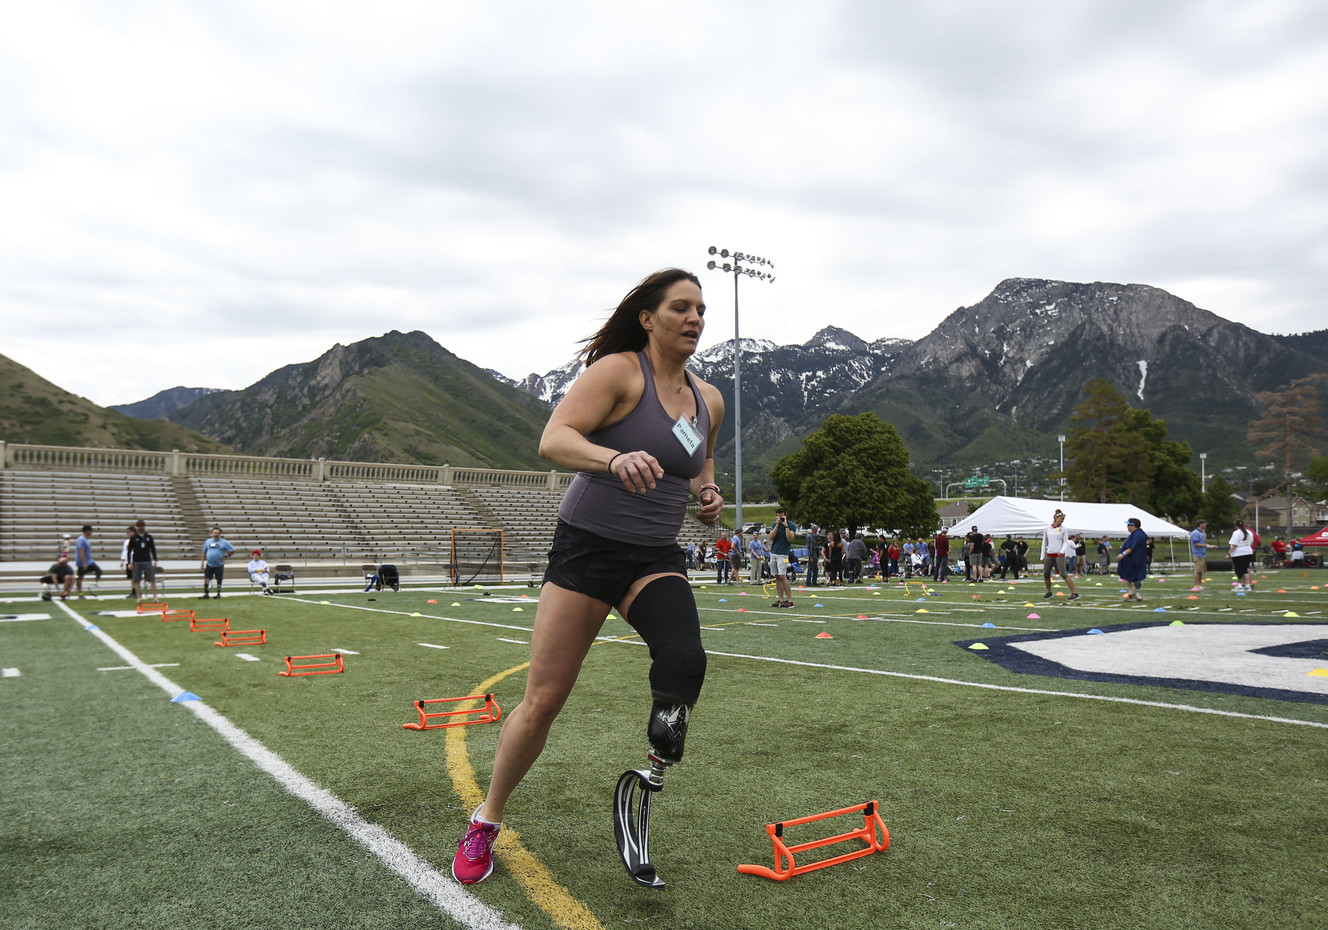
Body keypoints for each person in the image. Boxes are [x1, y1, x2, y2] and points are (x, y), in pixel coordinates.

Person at [452, 268, 724, 887]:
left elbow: (701, 460)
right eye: (681, 308)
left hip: (655, 553)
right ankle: (486, 820)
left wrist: (708, 492)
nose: (695, 319)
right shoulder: (618, 374)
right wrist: (613, 456)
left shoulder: (708, 398)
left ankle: (649, 775)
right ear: (649, 319)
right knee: (543, 701)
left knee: (685, 660)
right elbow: (553, 440)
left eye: (701, 310)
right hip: (588, 552)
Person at [1041, 509, 1080, 601]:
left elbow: (1065, 542)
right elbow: (1044, 542)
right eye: (1061, 519)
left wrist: (1062, 551)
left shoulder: (1063, 529)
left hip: (1059, 555)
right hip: (1050, 555)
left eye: (1063, 519)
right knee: (1046, 574)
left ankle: (1075, 593)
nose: (1062, 521)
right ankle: (1049, 592)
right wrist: (1042, 556)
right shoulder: (1047, 529)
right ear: (1056, 518)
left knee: (1063, 573)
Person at [767, 507, 798, 606]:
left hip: (783, 554)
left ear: (786, 515)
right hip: (774, 553)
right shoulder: (774, 524)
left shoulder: (791, 525)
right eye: (778, 517)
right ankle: (781, 599)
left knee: (783, 576)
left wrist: (786, 526)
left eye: (782, 516)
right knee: (777, 576)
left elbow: (790, 538)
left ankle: (789, 600)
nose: (780, 518)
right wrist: (777, 525)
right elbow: (771, 537)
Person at [1117, 517, 1150, 601]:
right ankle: (1134, 594)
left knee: (1132, 577)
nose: (1127, 527)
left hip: (1134, 560)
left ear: (1133, 526)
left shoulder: (1138, 535)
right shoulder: (1136, 534)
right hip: (1131, 560)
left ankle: (1134, 594)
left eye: (1128, 525)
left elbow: (1132, 547)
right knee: (1130, 577)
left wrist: (1123, 554)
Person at [127, 520, 159, 603]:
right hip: (137, 561)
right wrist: (129, 562)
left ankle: (155, 597)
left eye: (142, 526)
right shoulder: (134, 538)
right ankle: (138, 597)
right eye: (139, 526)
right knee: (137, 580)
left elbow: (153, 549)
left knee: (152, 579)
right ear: (137, 527)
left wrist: (155, 559)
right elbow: (129, 551)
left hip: (147, 560)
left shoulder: (149, 537)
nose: (141, 528)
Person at [200, 526, 236, 598]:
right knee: (206, 578)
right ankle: (206, 593)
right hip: (210, 564)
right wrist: (202, 562)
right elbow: (204, 551)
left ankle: (218, 593)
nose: (216, 535)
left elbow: (233, 550)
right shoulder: (208, 541)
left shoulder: (224, 542)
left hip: (219, 564)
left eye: (217, 533)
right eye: (214, 533)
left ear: (220, 534)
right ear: (212, 533)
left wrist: (226, 556)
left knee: (219, 579)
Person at [1228, 519, 1256, 592]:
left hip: (1238, 553)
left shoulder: (1236, 533)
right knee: (1245, 569)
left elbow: (1234, 544)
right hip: (1248, 551)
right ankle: (1247, 585)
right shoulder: (1249, 532)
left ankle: (1240, 585)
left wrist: (1229, 553)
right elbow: (1252, 542)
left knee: (1238, 570)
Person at [74, 524, 102, 595]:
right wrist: (84, 562)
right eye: (90, 531)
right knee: (81, 577)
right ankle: (80, 592)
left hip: (89, 561)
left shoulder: (86, 540)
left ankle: (95, 584)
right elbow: (81, 550)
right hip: (83, 562)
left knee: (99, 571)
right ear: (87, 531)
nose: (91, 532)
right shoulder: (81, 539)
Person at [1189, 520, 1209, 586]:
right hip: (1198, 554)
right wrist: (1207, 546)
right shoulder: (1195, 533)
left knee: (1200, 571)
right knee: (1198, 571)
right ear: (1200, 524)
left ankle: (1200, 585)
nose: (1205, 525)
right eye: (1204, 524)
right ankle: (1197, 585)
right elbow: (1196, 544)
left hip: (1202, 554)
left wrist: (1210, 546)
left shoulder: (1201, 533)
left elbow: (1203, 543)